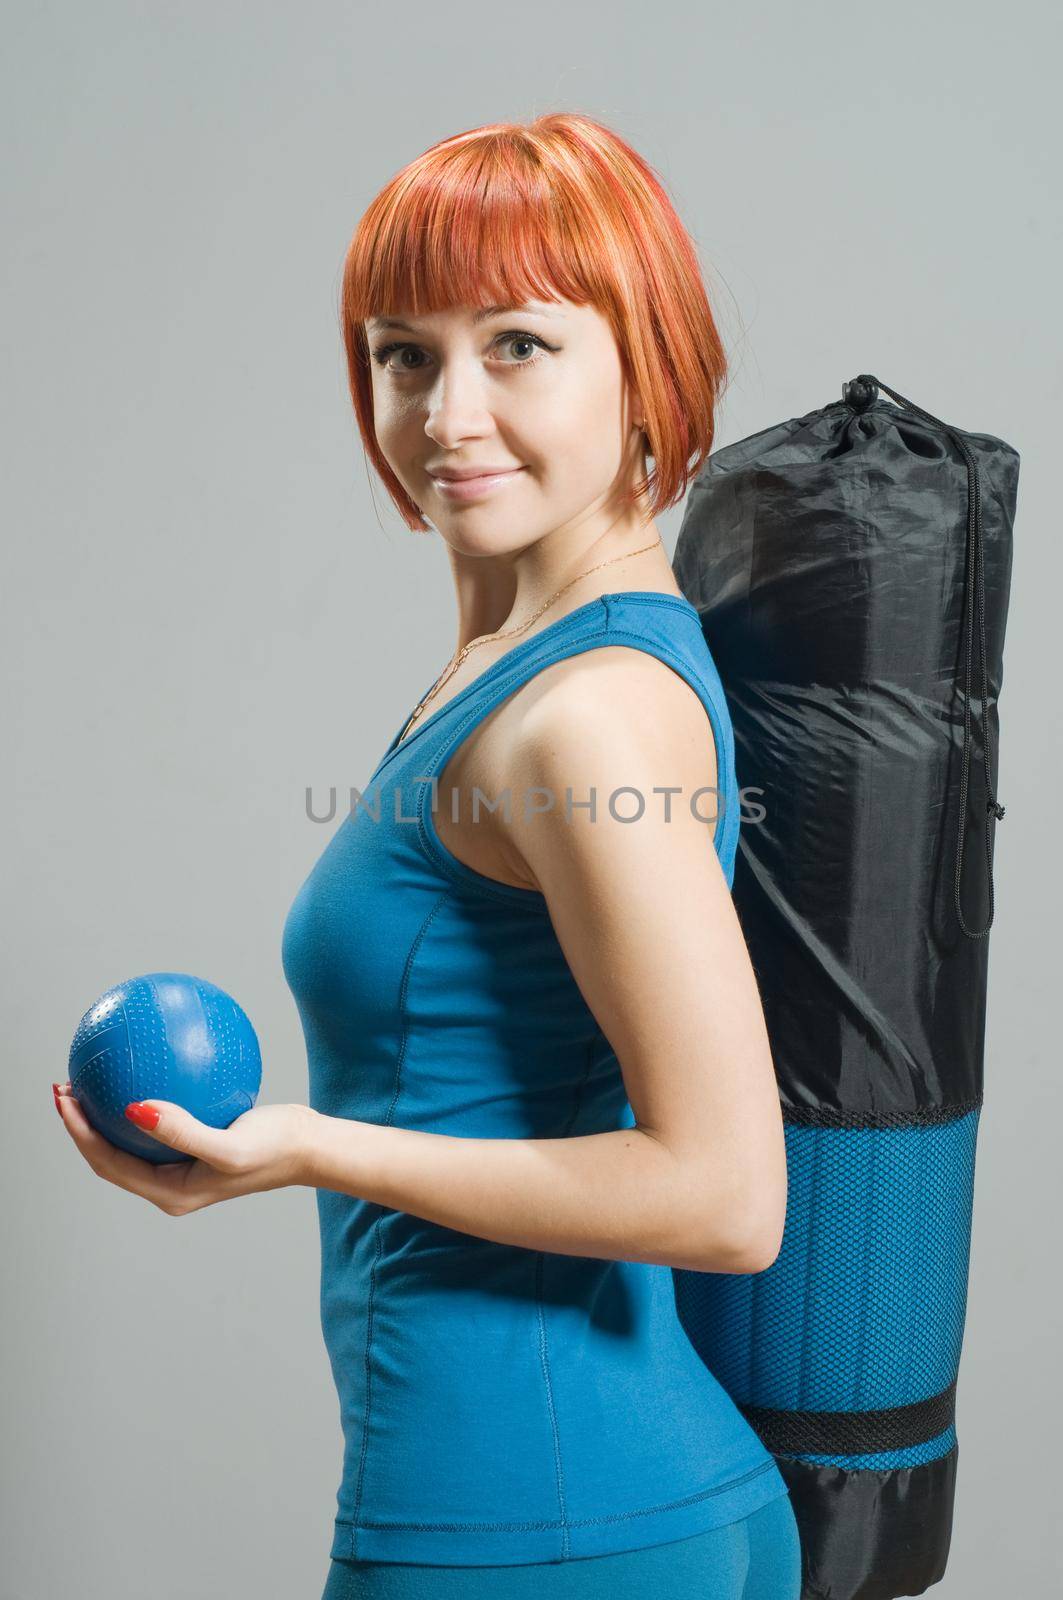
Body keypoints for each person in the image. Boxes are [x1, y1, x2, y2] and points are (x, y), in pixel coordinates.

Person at [54, 111, 802, 1599]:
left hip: (536, 1522)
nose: (449, 412)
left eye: (518, 344)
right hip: (573, 1499)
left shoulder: (584, 715)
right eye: (407, 353)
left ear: (644, 358)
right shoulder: (529, 662)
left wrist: (304, 1146)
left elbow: (726, 1196)